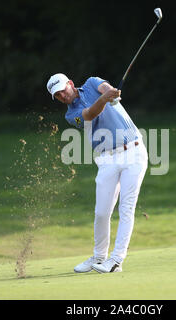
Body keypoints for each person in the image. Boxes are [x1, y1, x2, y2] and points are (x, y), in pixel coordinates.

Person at [46, 73, 148, 273]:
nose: (62, 96)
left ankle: (117, 259)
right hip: (106, 159)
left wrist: (111, 93)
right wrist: (105, 99)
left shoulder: (92, 82)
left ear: (71, 84)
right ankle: (99, 257)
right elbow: (90, 114)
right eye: (57, 96)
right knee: (102, 213)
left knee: (126, 208)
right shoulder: (70, 115)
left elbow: (105, 88)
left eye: (63, 91)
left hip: (133, 151)